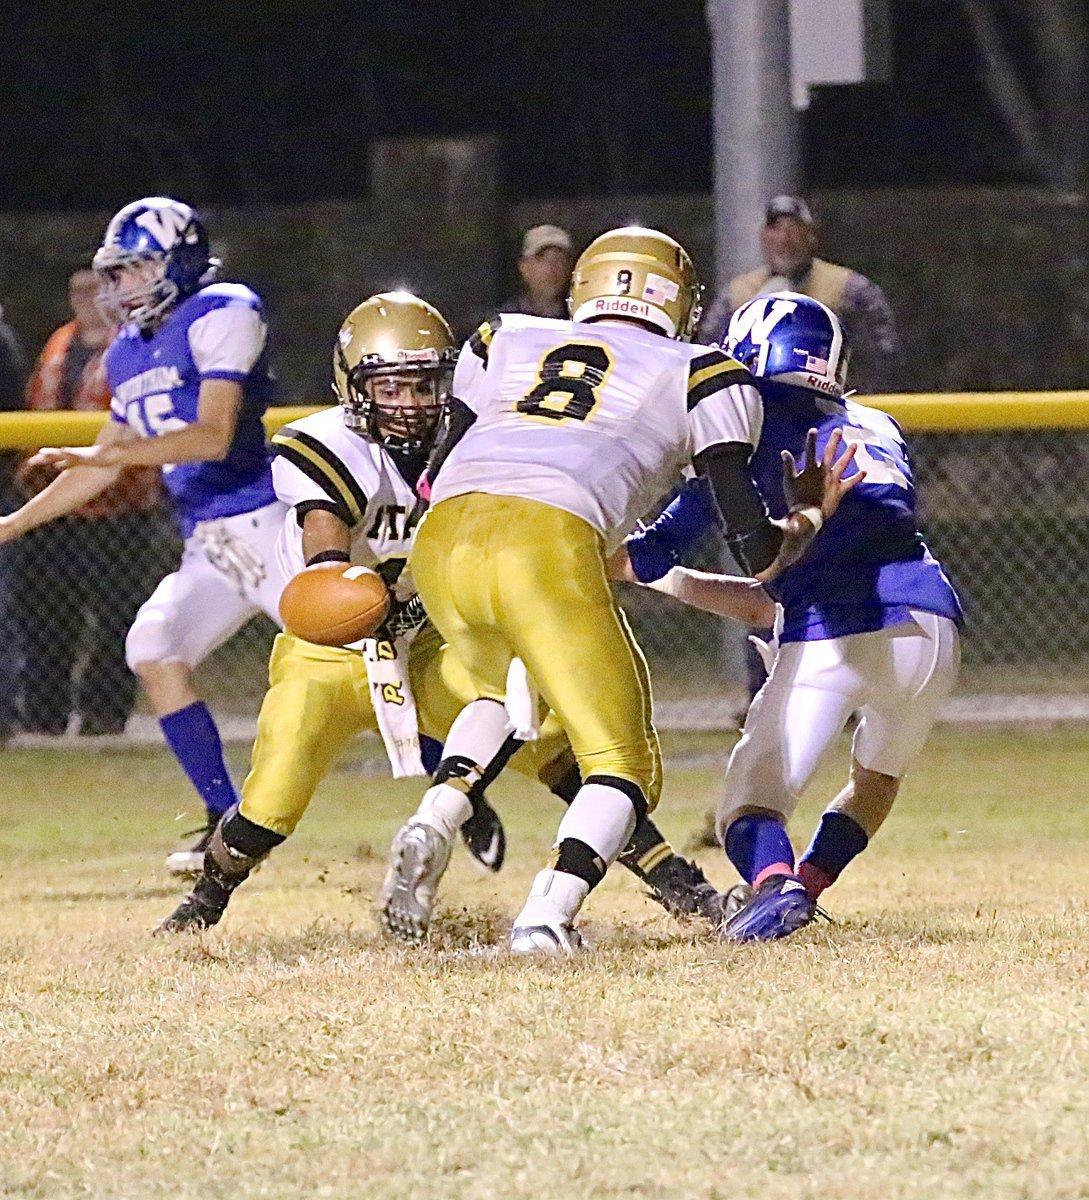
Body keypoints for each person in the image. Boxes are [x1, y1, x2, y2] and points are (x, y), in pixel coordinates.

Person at [157, 292, 732, 934]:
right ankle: (204, 902)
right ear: (354, 387)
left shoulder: (483, 433)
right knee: (272, 799)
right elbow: (325, 536)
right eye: (392, 388)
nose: (411, 405)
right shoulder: (323, 444)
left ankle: (681, 885)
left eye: (426, 385)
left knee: (552, 741)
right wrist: (334, 580)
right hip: (334, 650)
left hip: (432, 644)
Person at [380, 227, 860, 955]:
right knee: (623, 760)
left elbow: (432, 471)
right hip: (549, 532)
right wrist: (810, 512)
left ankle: (436, 817)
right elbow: (755, 548)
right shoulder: (703, 369)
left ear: (585, 287)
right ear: (676, 300)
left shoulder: (504, 335)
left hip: (444, 532)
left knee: (496, 696)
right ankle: (545, 917)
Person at [622, 294, 961, 940]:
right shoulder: (877, 424)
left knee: (747, 811)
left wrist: (613, 548)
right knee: (875, 780)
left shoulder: (746, 425)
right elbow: (767, 592)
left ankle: (774, 886)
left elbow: (658, 547)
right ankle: (804, 887)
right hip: (932, 628)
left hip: (834, 631)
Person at [0, 197, 286, 873]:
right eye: (116, 271)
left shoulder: (223, 311)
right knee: (154, 647)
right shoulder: (129, 351)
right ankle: (225, 820)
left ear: (176, 261)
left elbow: (213, 435)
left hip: (270, 523)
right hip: (210, 541)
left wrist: (106, 457)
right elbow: (105, 459)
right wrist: (12, 525)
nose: (119, 286)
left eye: (133, 269)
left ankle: (464, 780)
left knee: (361, 659)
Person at [9, 269, 165, 735]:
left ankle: (104, 714)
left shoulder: (133, 346)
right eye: (77, 290)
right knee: (48, 616)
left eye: (95, 290)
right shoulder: (60, 343)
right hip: (59, 508)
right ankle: (44, 714)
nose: (85, 299)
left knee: (118, 616)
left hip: (122, 509)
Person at [700, 195, 902, 395]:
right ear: (762, 237)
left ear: (811, 236)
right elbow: (708, 355)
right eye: (775, 228)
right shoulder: (737, 295)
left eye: (793, 229)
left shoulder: (849, 290)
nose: (784, 239)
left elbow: (883, 358)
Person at [500, 225, 574, 320]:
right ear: (524, 266)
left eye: (560, 259)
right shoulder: (503, 322)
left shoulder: (582, 321)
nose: (552, 267)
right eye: (543, 259)